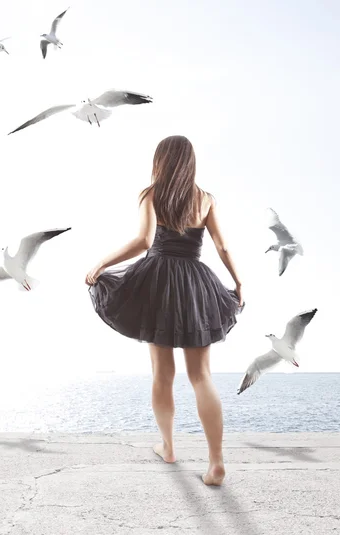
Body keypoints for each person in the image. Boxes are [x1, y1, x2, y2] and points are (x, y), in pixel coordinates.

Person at [85, 135, 244, 486]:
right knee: (201, 376)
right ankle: (216, 462)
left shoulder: (152, 193)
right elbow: (222, 245)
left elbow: (143, 241)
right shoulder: (205, 199)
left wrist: (100, 264)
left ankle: (169, 447)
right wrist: (238, 282)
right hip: (196, 285)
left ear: (161, 161)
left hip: (157, 283)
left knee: (163, 373)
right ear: (191, 162)